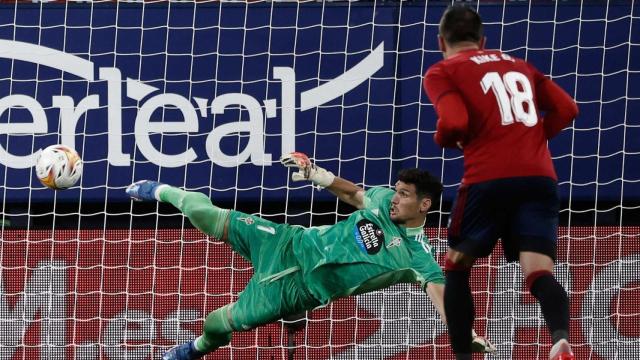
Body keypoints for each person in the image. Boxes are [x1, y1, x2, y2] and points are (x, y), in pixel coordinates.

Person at [126, 152, 496, 360]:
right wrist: (314, 173)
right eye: (396, 191)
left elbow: (441, 293)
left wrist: (465, 331)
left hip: (297, 289)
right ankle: (160, 189)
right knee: (205, 215)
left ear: (424, 204)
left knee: (215, 325)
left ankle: (194, 350)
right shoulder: (385, 200)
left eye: (404, 195)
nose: (394, 197)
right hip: (288, 242)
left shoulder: (418, 256)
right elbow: (356, 194)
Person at [423, 5, 579, 360]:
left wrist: (443, 139)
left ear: (440, 42)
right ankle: (559, 338)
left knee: (456, 267)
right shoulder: (520, 64)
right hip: (540, 178)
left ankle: (462, 356)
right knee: (538, 270)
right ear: (482, 40)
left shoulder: (442, 70)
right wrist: (533, 140)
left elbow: (454, 122)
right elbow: (568, 109)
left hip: (487, 179)